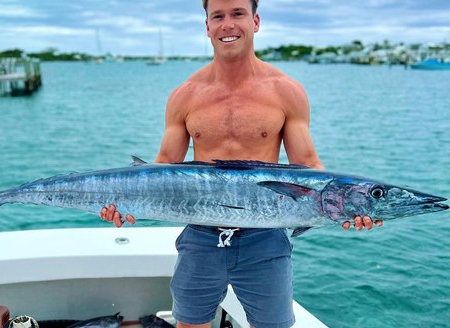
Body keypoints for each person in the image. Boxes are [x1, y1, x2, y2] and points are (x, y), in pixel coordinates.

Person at [100, 0, 383, 327]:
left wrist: (353, 205)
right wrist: (122, 202)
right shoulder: (185, 95)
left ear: (256, 21)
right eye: (217, 16)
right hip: (201, 236)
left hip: (265, 239)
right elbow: (164, 165)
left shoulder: (286, 91)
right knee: (191, 324)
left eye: (238, 13)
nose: (227, 24)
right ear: (207, 26)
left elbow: (307, 166)